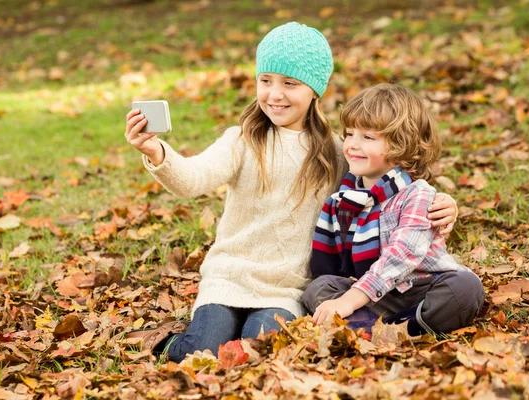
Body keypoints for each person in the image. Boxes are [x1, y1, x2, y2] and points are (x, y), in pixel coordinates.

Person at [124, 23, 458, 362]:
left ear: (315, 90)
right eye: (265, 81)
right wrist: (156, 152)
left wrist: (444, 204)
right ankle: (166, 342)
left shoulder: (337, 151)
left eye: (289, 83)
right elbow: (193, 178)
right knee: (201, 350)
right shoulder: (242, 141)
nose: (275, 94)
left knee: (262, 352)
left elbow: (389, 187)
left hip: (286, 289)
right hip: (229, 278)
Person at [302, 83, 485, 337]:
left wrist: (348, 302)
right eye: (350, 133)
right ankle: (374, 330)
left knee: (465, 287)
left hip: (420, 288)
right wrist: (340, 297)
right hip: (376, 297)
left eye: (367, 137)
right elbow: (330, 269)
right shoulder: (342, 199)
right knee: (318, 288)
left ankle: (397, 328)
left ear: (401, 144)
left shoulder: (417, 194)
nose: (352, 145)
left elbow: (401, 254)